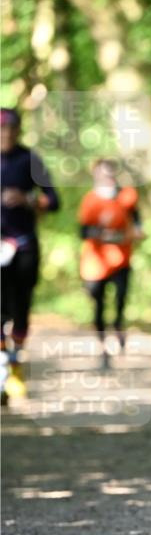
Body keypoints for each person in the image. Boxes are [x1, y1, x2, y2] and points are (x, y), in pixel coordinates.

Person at [1, 106, 60, 405]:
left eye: (11, 129)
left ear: (19, 130)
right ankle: (2, 374)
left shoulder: (30, 159)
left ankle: (16, 368)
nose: (6, 134)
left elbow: (53, 200)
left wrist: (27, 199)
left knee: (21, 310)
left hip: (24, 246)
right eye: (1, 129)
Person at [78, 159, 144, 370]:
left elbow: (136, 220)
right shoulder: (90, 200)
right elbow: (83, 231)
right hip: (95, 263)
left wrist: (137, 230)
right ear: (96, 175)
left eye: (110, 174)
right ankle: (103, 348)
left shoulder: (127, 195)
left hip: (121, 259)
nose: (107, 178)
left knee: (120, 299)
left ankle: (118, 325)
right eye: (102, 174)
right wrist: (104, 235)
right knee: (98, 305)